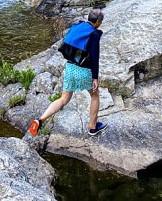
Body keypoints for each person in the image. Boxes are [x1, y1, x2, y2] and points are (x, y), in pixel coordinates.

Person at [28, 8, 107, 137]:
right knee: (95, 96)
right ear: (98, 22)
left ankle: (40, 120)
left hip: (70, 68)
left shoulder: (78, 25)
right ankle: (92, 127)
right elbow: (94, 57)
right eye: (101, 21)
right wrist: (95, 78)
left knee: (64, 99)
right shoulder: (93, 34)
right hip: (84, 70)